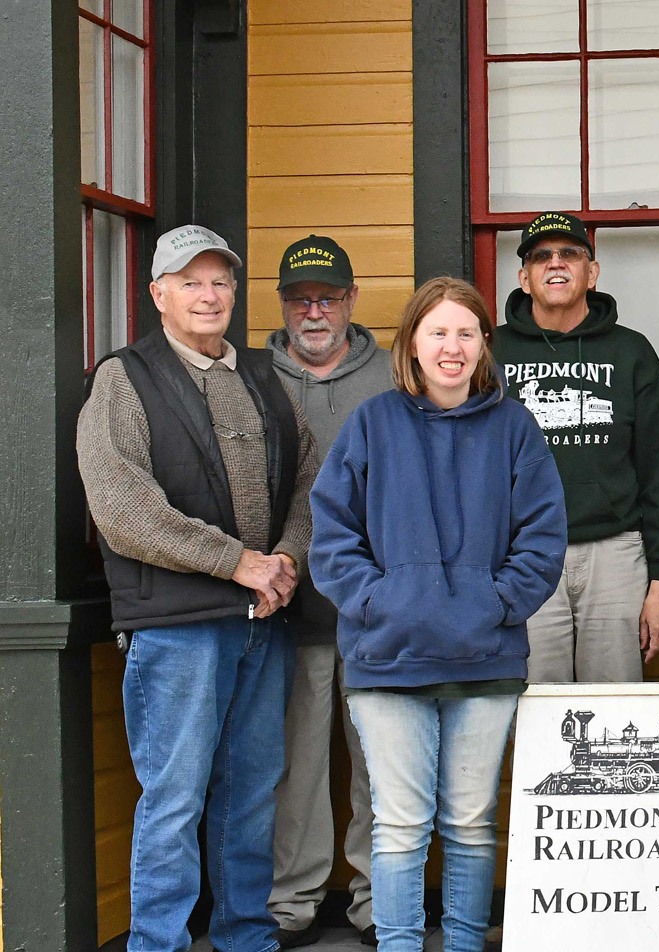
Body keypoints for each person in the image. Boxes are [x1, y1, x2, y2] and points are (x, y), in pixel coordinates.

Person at [76, 224, 320, 952]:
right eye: (190, 283)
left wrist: (286, 558)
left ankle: (246, 936)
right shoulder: (123, 380)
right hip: (177, 630)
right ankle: (158, 943)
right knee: (175, 801)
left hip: (262, 622)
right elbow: (121, 507)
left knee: (250, 797)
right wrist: (237, 562)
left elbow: (310, 479)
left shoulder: (260, 378)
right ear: (159, 295)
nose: (208, 295)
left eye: (219, 282)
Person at [309, 277, 566, 952]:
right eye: (438, 332)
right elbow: (331, 535)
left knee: (471, 823)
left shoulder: (514, 428)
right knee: (399, 825)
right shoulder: (372, 423)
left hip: (486, 656)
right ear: (413, 344)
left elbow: (542, 538)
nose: (452, 347)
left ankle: (463, 944)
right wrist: (379, 601)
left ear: (484, 343)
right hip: (388, 658)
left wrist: (497, 603)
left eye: (465, 333)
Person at [264, 234, 393, 948]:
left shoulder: (394, 377)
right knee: (297, 766)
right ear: (283, 304)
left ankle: (379, 900)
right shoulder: (255, 377)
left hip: (378, 610)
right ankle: (293, 902)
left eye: (328, 298)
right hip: (290, 610)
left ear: (351, 300)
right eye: (300, 299)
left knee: (380, 764)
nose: (314, 312)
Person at [493, 211, 659, 683]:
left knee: (615, 703)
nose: (556, 263)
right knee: (534, 702)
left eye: (570, 253)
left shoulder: (632, 352)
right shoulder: (491, 352)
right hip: (522, 549)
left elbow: (657, 470)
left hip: (615, 552)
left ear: (591, 272)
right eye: (541, 256)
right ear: (524, 278)